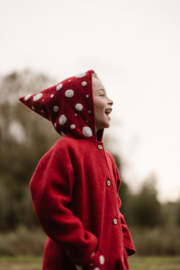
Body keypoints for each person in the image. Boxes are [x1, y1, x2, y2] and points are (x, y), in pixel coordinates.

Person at [19, 69, 136, 270]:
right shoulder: (66, 149)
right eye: (101, 95)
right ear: (80, 105)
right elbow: (49, 204)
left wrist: (123, 245)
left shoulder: (108, 159)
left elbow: (115, 209)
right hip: (75, 263)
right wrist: (86, 252)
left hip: (112, 262)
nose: (110, 101)